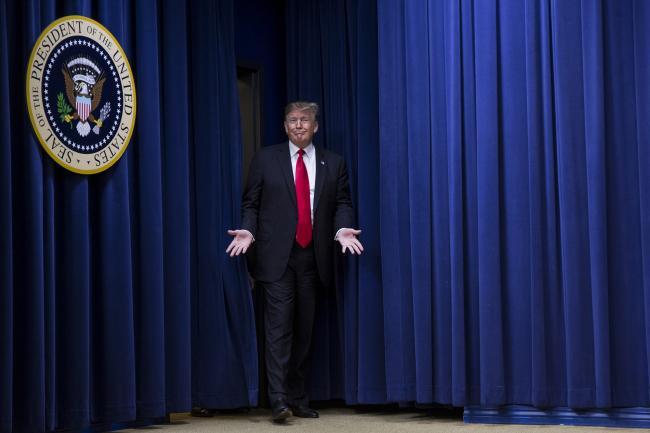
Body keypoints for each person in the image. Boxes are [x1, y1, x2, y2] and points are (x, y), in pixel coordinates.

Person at [226, 101, 363, 422]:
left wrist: (343, 228)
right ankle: (278, 401)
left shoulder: (334, 162)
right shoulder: (265, 159)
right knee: (278, 330)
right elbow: (252, 202)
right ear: (285, 126)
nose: (299, 125)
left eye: (305, 120)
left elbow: (343, 202)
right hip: (277, 258)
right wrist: (247, 230)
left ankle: (298, 397)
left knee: (305, 329)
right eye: (292, 120)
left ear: (315, 126)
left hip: (314, 257)